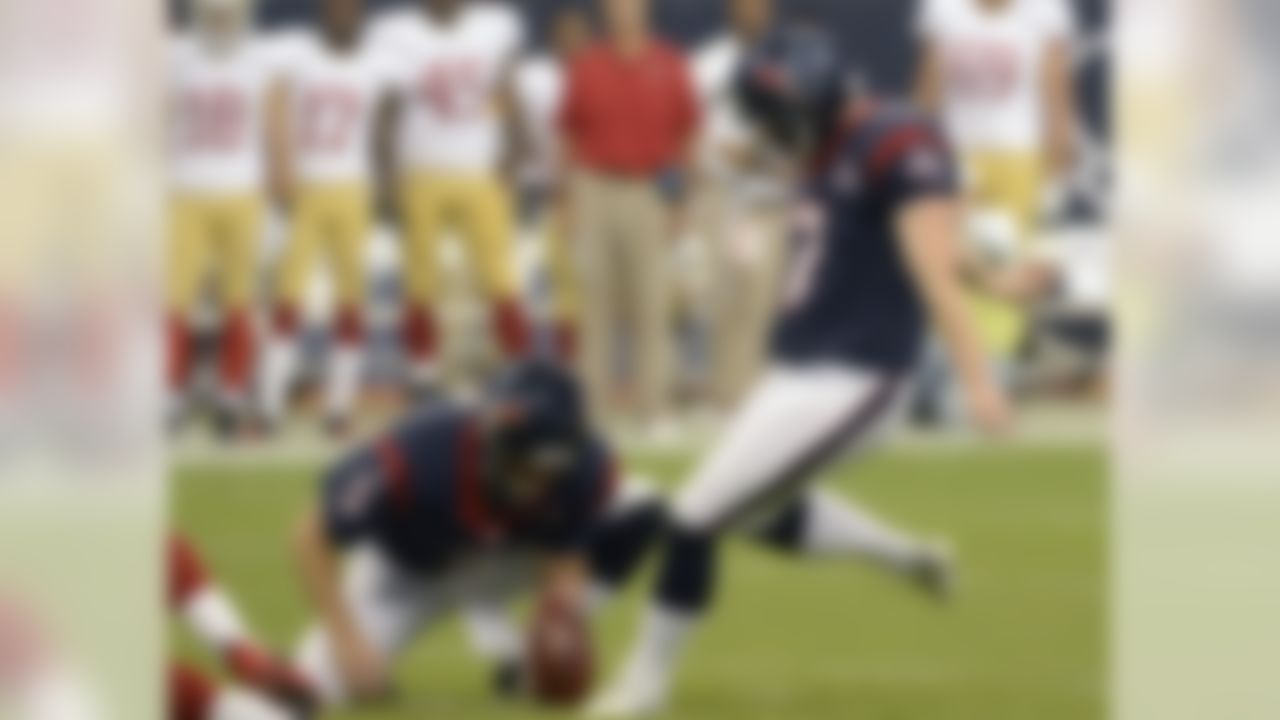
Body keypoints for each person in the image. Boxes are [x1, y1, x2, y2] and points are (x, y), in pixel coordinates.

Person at [589, 25, 1019, 717]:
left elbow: (933, 264)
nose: (767, 133)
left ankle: (645, 685)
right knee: (748, 511)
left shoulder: (894, 138)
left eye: (771, 118)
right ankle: (906, 557)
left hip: (858, 377)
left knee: (696, 516)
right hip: (799, 369)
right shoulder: (831, 142)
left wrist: (979, 380)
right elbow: (925, 238)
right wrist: (1000, 282)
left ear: (803, 104)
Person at [289, 361, 663, 707]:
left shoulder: (585, 466)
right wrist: (347, 639)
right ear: (492, 441)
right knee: (314, 683)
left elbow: (566, 550)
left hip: (500, 560)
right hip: (407, 571)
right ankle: (480, 635)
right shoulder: (422, 449)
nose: (536, 483)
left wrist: (559, 619)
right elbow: (313, 535)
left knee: (642, 505)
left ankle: (518, 656)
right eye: (524, 467)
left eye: (550, 472)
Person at [914, 0, 1077, 403]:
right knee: (950, 259)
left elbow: (1054, 86)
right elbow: (928, 87)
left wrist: (1056, 165)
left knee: (1004, 260)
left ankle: (995, 366)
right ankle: (942, 363)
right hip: (956, 153)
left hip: (1017, 155)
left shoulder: (1045, 11)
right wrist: (923, 147)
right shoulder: (943, 10)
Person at [371, 0, 532, 394]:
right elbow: (387, 110)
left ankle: (520, 371)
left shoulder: (492, 27)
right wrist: (386, 175)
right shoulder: (398, 34)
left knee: (500, 278)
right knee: (419, 281)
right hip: (420, 171)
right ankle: (422, 374)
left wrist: (516, 148)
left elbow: (508, 90)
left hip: (479, 171)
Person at [258, 0, 398, 437]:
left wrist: (386, 178)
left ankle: (338, 406)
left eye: (351, 10)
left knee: (351, 300)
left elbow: (386, 117)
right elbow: (273, 99)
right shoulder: (297, 54)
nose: (344, 15)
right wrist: (280, 163)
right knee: (288, 296)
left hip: (353, 190)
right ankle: (267, 403)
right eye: (337, 8)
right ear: (322, 14)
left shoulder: (377, 64)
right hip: (307, 187)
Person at [559, 0, 700, 431]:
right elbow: (568, 132)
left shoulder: (670, 62)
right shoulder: (586, 64)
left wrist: (676, 201)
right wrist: (568, 198)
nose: (624, 8)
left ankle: (653, 406)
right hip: (596, 186)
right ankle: (592, 409)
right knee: (596, 304)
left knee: (652, 303)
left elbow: (685, 135)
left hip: (650, 189)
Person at [167, 0, 292, 437]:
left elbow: (276, 131)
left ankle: (231, 396)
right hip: (184, 191)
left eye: (228, 14)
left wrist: (281, 195)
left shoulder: (262, 60)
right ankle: (172, 395)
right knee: (173, 302)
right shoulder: (174, 53)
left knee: (239, 302)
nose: (221, 22)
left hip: (243, 193)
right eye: (213, 14)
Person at [690, 0, 789, 411]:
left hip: (767, 201)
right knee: (723, 298)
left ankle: (758, 395)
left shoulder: (789, 60)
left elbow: (804, 126)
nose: (755, 10)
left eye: (762, 4)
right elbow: (691, 131)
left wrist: (770, 154)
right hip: (724, 197)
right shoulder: (708, 64)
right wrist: (725, 154)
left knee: (765, 301)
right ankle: (725, 394)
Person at [512, 5, 594, 359]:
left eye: (577, 34)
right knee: (520, 283)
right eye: (563, 35)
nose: (570, 42)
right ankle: (518, 361)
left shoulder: (598, 76)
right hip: (531, 192)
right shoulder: (532, 77)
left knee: (572, 289)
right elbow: (500, 113)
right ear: (551, 39)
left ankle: (570, 364)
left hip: (582, 194)